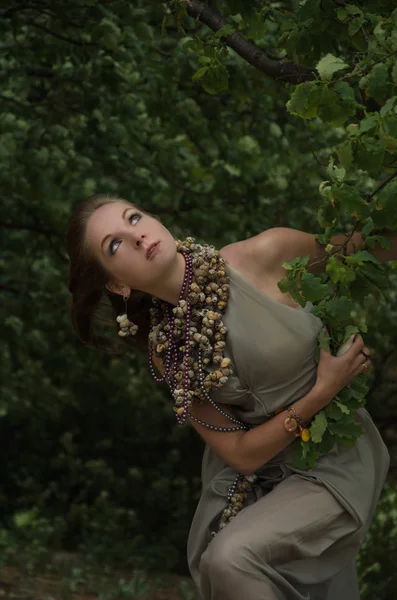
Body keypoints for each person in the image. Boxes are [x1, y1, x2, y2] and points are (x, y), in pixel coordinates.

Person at [66, 193, 390, 600]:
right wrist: (324, 389)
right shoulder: (168, 350)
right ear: (116, 282)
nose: (135, 236)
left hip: (336, 455)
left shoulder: (262, 255)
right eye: (113, 244)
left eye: (134, 218)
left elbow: (372, 247)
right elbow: (240, 453)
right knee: (222, 563)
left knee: (230, 557)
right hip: (263, 477)